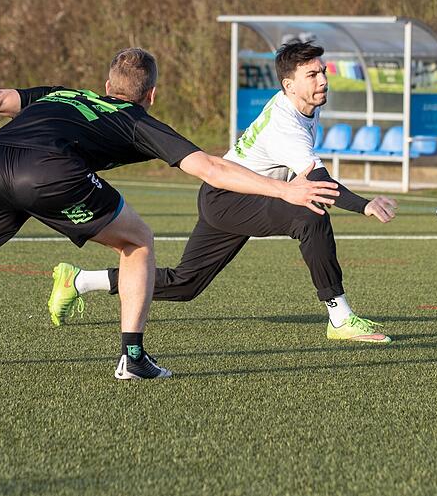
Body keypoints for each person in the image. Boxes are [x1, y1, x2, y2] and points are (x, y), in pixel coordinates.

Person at [0, 48, 339, 380]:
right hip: (49, 174)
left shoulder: (60, 94)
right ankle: (132, 356)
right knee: (140, 241)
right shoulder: (139, 120)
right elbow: (213, 169)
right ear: (150, 93)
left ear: (105, 86)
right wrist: (285, 194)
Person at [48, 41, 399, 344]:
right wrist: (365, 205)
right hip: (229, 199)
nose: (323, 80)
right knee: (311, 213)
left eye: (323, 72)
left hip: (228, 196)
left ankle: (79, 280)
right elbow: (317, 181)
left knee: (186, 285)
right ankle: (340, 318)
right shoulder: (285, 124)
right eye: (313, 75)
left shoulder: (303, 106)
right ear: (288, 85)